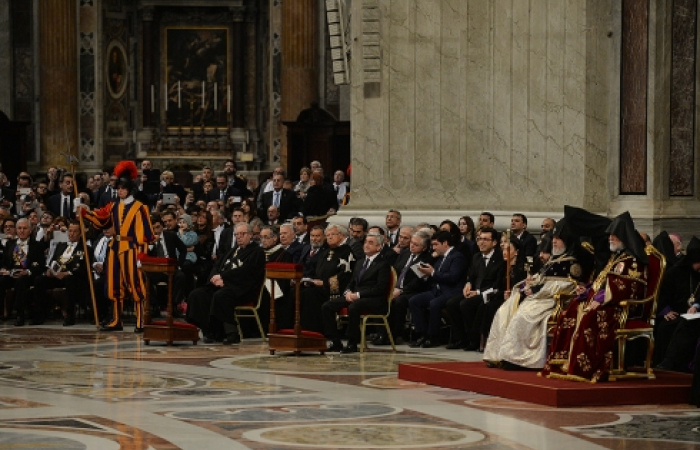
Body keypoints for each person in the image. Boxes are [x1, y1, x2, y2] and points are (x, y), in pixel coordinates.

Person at [541, 211, 648, 382]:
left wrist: (598, 300)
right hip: (604, 300)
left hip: (619, 306)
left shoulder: (632, 261)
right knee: (570, 311)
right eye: (610, 236)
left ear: (624, 237)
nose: (610, 239)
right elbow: (602, 281)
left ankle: (584, 367)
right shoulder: (615, 257)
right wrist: (587, 290)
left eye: (615, 236)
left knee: (589, 317)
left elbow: (627, 287)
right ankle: (564, 362)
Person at [484, 220, 591, 369]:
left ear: (566, 241)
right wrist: (526, 285)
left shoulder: (571, 263)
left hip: (550, 301)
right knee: (505, 309)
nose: (554, 241)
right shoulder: (554, 260)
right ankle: (498, 354)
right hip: (538, 298)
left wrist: (538, 290)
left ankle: (518, 359)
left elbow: (569, 286)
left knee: (523, 316)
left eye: (558, 239)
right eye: (553, 238)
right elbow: (540, 278)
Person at [78, 161, 155, 332]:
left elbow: (144, 236)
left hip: (131, 248)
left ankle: (141, 320)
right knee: (114, 285)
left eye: (122, 188)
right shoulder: (113, 206)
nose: (119, 190)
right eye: (118, 188)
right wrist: (85, 211)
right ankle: (116, 320)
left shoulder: (140, 208)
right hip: (114, 247)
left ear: (130, 189)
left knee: (134, 284)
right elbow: (101, 217)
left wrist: (141, 258)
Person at [186, 223, 265, 344]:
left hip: (242, 287)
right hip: (223, 284)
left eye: (242, 234)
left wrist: (224, 278)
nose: (239, 237)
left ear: (250, 235)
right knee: (197, 294)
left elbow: (247, 271)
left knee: (221, 296)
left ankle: (231, 333)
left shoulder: (257, 251)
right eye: (236, 234)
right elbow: (217, 265)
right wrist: (214, 278)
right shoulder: (232, 250)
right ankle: (208, 331)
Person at [322, 232, 392, 353]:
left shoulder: (383, 264)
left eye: (371, 243)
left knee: (354, 307)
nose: (366, 245)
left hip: (375, 299)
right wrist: (348, 292)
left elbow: (379, 289)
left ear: (379, 247)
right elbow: (352, 282)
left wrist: (358, 295)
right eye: (365, 242)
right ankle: (335, 341)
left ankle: (352, 343)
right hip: (356, 295)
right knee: (327, 306)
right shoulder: (360, 262)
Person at [444, 227, 505, 351]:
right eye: (479, 239)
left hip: (489, 293)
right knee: (451, 303)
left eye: (485, 240)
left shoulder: (500, 259)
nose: (481, 242)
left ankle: (474, 339)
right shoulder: (477, 257)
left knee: (466, 304)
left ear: (494, 243)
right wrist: (468, 284)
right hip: (474, 290)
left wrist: (477, 292)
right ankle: (460, 338)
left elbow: (498, 283)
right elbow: (471, 276)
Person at [408, 230, 468, 348]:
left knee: (434, 303)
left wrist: (433, 273)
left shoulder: (457, 257)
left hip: (451, 291)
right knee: (414, 300)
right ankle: (422, 334)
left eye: (436, 244)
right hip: (437, 290)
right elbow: (434, 275)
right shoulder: (439, 258)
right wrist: (426, 275)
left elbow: (452, 277)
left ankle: (433, 336)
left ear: (445, 243)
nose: (433, 248)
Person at [32, 221, 91, 326]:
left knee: (70, 281)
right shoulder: (61, 246)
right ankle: (39, 315)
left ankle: (70, 315)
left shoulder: (86, 248)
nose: (71, 234)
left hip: (73, 278)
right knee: (39, 280)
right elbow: (53, 261)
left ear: (81, 233)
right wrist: (50, 270)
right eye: (70, 231)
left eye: (75, 231)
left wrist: (67, 273)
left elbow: (83, 269)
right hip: (57, 275)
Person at [652, 237, 700, 367]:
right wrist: (665, 311)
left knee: (686, 326)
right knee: (665, 327)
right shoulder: (675, 273)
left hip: (695, 316)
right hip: (677, 313)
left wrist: (696, 306)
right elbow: (662, 295)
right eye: (697, 263)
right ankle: (663, 363)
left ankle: (675, 363)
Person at [299, 224, 356, 333]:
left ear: (341, 235)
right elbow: (317, 272)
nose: (329, 237)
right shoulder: (325, 252)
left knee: (310, 294)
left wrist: (324, 283)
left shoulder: (347, 252)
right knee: (303, 291)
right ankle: (305, 329)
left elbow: (345, 274)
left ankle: (315, 330)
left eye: (332, 234)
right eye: (327, 235)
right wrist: (310, 281)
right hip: (320, 287)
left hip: (336, 290)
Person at [0, 218, 46, 326]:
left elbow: (41, 265)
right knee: (1, 281)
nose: (22, 231)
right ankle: (2, 312)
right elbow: (4, 262)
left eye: (24, 228)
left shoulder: (37, 245)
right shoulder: (10, 244)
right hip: (11, 274)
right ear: (16, 230)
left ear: (30, 230)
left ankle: (20, 314)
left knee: (21, 281)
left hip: (27, 276)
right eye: (19, 228)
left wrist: (28, 271)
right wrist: (3, 269)